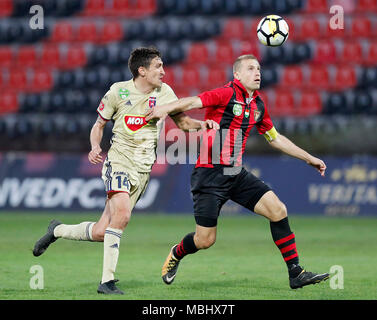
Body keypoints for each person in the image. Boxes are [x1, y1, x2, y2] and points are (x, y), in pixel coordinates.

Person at [32, 47, 219, 295]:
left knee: (102, 232)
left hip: (143, 170)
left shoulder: (165, 93)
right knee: (122, 215)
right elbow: (98, 125)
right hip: (118, 162)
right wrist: (95, 146)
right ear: (142, 70)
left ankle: (56, 230)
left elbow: (183, 123)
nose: (163, 71)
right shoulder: (118, 91)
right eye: (158, 66)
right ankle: (106, 282)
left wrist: (202, 124)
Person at [145, 54, 330, 289]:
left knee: (278, 210)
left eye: (259, 69)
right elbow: (192, 102)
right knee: (205, 240)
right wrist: (165, 108)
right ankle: (177, 253)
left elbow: (275, 139)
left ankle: (296, 272)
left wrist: (309, 158)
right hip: (209, 174)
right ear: (237, 74)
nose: (257, 73)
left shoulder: (258, 105)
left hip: (235, 172)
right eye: (251, 68)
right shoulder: (225, 93)